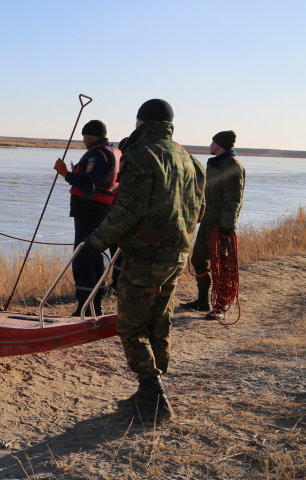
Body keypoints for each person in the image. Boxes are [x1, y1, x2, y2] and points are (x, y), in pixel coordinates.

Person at [83, 99, 206, 423]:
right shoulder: (189, 158)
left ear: (140, 122)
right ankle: (152, 387)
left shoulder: (140, 154)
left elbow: (129, 208)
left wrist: (96, 242)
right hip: (177, 254)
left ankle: (152, 393)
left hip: (146, 256)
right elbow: (200, 209)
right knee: (159, 319)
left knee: (132, 325)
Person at [53, 120, 121, 316]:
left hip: (89, 212)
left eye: (84, 136)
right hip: (103, 210)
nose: (83, 141)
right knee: (94, 256)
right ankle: (95, 306)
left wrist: (65, 173)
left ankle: (84, 307)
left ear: (91, 135)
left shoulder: (97, 154)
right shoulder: (114, 152)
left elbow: (89, 184)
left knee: (83, 258)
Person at [179, 130, 245, 319]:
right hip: (207, 221)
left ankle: (221, 306)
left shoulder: (232, 166)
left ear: (220, 145)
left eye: (212, 142)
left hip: (220, 226)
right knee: (198, 260)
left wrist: (226, 226)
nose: (209, 145)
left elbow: (234, 200)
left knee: (221, 266)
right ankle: (202, 301)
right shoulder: (215, 163)